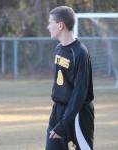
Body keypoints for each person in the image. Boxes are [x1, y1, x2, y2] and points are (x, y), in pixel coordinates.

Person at [46, 6, 94, 150]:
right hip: (58, 111)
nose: (48, 27)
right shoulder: (58, 48)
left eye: (50, 23)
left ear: (60, 25)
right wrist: (59, 118)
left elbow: (80, 93)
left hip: (77, 114)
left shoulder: (80, 53)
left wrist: (64, 123)